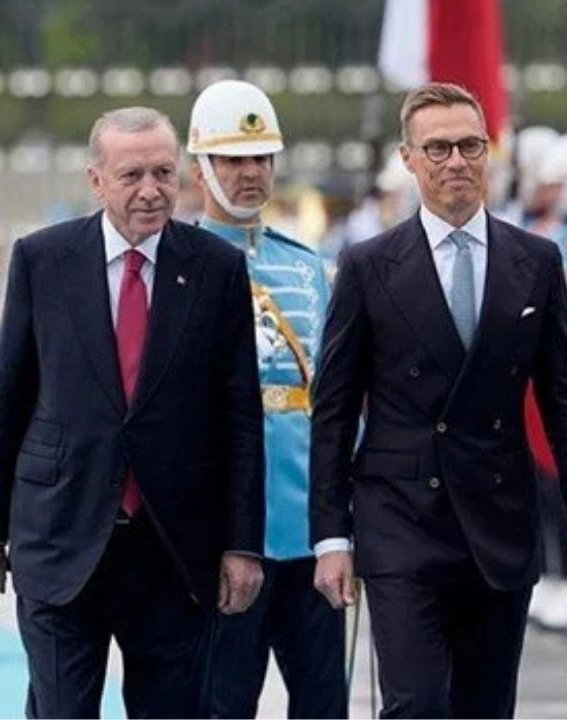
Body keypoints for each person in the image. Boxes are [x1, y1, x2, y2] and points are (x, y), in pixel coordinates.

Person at [308, 82, 567, 718]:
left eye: (470, 146)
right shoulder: (368, 265)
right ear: (408, 159)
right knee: (415, 705)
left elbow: (564, 401)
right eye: (438, 148)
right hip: (402, 519)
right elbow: (334, 410)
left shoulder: (535, 260)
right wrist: (330, 534)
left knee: (485, 707)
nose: (456, 162)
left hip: (498, 515)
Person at [0, 106, 265, 719]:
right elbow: (7, 402)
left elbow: (239, 417)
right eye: (132, 176)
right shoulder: (42, 260)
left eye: (163, 173)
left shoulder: (217, 269)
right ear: (96, 181)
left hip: (173, 547)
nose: (151, 191)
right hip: (61, 533)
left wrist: (242, 545)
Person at [188, 80, 347, 719]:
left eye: (261, 158)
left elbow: (337, 398)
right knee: (221, 705)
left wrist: (345, 516)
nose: (250, 173)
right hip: (225, 534)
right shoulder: (182, 263)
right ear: (200, 166)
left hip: (308, 530)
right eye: (233, 159)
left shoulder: (306, 267)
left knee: (324, 705)